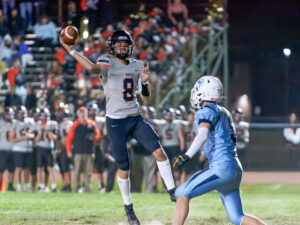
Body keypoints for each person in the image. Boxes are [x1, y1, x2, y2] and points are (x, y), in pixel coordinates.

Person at [60, 29, 176, 225]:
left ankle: (173, 190)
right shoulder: (107, 61)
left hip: (135, 117)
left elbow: (146, 98)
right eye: (118, 44)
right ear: (111, 47)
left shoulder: (138, 65)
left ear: (130, 46)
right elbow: (92, 69)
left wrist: (146, 83)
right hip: (115, 121)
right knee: (124, 166)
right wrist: (72, 51)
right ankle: (128, 207)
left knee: (159, 151)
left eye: (124, 44)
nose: (121, 47)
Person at [172, 76, 266, 225]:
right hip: (234, 167)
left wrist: (186, 156)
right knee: (237, 217)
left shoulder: (206, 110)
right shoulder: (224, 111)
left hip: (221, 167)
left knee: (182, 192)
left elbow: (202, 135)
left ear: (204, 92)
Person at [66, 107, 101, 193]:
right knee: (77, 171)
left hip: (89, 151)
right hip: (78, 152)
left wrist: (93, 138)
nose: (83, 114)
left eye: (84, 112)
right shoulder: (75, 125)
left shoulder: (92, 124)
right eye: (81, 112)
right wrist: (69, 150)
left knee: (88, 172)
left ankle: (87, 188)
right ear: (78, 114)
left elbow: (98, 135)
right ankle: (77, 188)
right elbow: (69, 139)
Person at [35, 108, 58, 192]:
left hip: (49, 148)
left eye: (45, 115)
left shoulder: (53, 124)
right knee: (39, 168)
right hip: (40, 148)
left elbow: (54, 138)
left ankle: (54, 187)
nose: (43, 117)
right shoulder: (37, 124)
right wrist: (41, 130)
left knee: (50, 168)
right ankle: (40, 186)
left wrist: (48, 130)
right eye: (42, 115)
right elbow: (36, 139)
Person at [0, 107, 16, 191]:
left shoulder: (15, 123)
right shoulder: (1, 123)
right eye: (8, 115)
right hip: (2, 149)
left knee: (11, 169)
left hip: (13, 149)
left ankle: (10, 185)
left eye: (10, 115)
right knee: (1, 169)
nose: (9, 116)